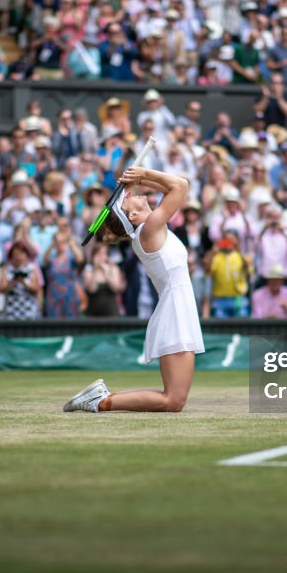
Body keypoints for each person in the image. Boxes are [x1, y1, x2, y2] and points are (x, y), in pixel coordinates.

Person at [64, 167, 203, 413]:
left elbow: (173, 188)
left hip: (177, 310)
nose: (134, 194)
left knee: (173, 400)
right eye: (129, 199)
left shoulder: (149, 227)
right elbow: (180, 185)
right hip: (175, 314)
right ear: (134, 216)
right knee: (173, 400)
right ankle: (100, 401)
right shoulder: (149, 229)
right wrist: (144, 173)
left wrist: (140, 179)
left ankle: (100, 399)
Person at [82, 244, 125, 317]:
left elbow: (115, 288)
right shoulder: (89, 270)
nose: (101, 257)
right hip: (93, 315)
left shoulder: (113, 269)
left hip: (111, 314)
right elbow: (92, 289)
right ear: (93, 256)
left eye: (103, 254)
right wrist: (95, 270)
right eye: (98, 254)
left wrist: (106, 273)